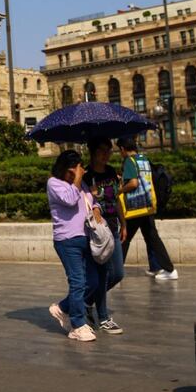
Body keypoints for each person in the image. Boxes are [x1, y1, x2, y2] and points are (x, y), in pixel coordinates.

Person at [46, 150, 102, 342]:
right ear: (66, 170)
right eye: (75, 171)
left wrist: (96, 208)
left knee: (93, 281)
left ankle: (62, 307)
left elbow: (90, 201)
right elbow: (70, 200)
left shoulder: (80, 184)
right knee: (77, 282)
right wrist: (77, 180)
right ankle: (77, 325)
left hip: (86, 237)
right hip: (66, 240)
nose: (78, 174)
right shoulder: (54, 183)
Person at [116, 136, 178, 281]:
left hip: (135, 207)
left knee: (123, 237)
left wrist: (119, 190)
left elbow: (133, 183)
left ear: (123, 149)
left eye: (120, 151)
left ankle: (115, 273)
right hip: (148, 205)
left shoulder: (129, 161)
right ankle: (169, 269)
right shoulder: (143, 159)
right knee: (152, 238)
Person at [82, 138, 125, 334]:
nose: (107, 154)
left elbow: (117, 200)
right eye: (102, 150)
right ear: (93, 151)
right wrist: (91, 195)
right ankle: (104, 316)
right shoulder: (86, 175)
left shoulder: (110, 172)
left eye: (109, 150)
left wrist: (124, 223)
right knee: (102, 274)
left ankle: (86, 300)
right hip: (97, 231)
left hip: (113, 228)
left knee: (117, 274)